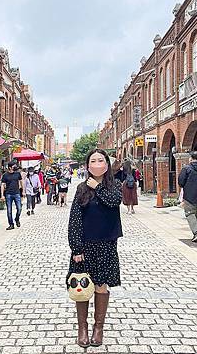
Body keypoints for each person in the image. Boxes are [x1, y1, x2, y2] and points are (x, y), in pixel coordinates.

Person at [67, 149, 123, 348]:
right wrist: (76, 248)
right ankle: (82, 328)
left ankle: (98, 328)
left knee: (101, 286)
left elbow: (114, 202)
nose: (97, 163)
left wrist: (98, 187)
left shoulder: (115, 185)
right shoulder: (81, 188)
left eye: (101, 160)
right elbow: (74, 219)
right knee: (81, 286)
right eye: (93, 160)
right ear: (87, 166)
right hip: (85, 246)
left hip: (106, 245)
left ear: (106, 165)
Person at [1, 161, 23, 230]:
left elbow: (21, 182)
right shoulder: (5, 175)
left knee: (19, 208)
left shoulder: (18, 174)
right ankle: (11, 224)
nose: (15, 167)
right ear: (10, 167)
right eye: (14, 166)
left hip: (17, 193)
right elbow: (2, 185)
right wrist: (2, 195)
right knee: (9, 211)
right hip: (8, 194)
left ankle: (17, 219)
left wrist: (23, 191)